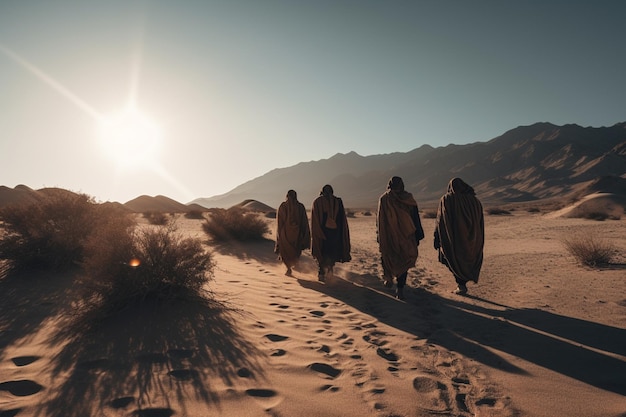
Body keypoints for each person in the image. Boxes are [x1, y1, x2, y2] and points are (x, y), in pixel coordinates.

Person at [434, 177, 484, 295]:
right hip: (474, 239)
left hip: (454, 238)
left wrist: (437, 237)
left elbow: (441, 220)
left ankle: (461, 285)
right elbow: (480, 222)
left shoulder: (447, 199)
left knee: (451, 258)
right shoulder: (475, 201)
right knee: (466, 259)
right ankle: (462, 283)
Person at [377, 176, 425, 300]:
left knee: (388, 256)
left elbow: (380, 221)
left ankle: (389, 278)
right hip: (406, 237)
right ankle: (400, 288)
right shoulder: (408, 198)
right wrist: (418, 234)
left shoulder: (385, 199)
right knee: (403, 260)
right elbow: (415, 218)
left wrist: (380, 235)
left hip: (390, 236)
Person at [311, 184, 351, 281]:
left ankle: (322, 273)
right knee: (332, 251)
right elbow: (342, 220)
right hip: (335, 233)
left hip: (323, 233)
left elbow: (315, 220)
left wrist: (318, 233)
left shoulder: (317, 202)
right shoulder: (337, 201)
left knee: (323, 251)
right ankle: (329, 271)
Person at [274, 190, 311, 276]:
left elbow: (280, 222)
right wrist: (304, 234)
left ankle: (288, 268)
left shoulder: (283, 206)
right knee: (295, 250)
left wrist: (279, 236)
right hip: (297, 234)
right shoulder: (300, 206)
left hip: (285, 234)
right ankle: (294, 265)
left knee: (285, 252)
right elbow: (304, 222)